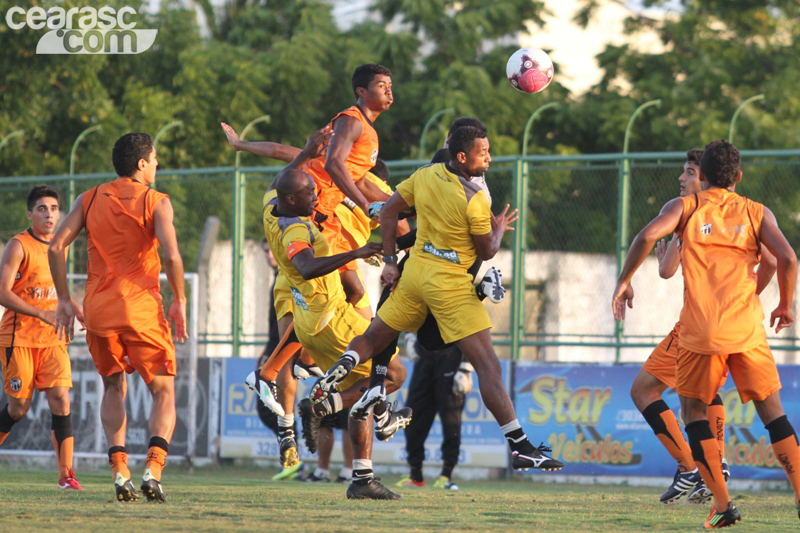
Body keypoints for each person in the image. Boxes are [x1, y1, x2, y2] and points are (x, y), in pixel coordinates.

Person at [311, 125, 564, 473]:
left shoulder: (425, 175)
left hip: (414, 275)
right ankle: (520, 447)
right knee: (488, 366)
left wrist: (390, 261)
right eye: (483, 152)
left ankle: (347, 361)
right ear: (462, 157)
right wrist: (498, 229)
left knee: (373, 337)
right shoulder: (476, 198)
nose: (489, 158)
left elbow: (388, 212)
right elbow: (487, 251)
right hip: (450, 286)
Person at [612, 139, 800, 528]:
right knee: (772, 411)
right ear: (738, 177)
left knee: (693, 412)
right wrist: (784, 304)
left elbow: (646, 236)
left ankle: (723, 504)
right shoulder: (756, 212)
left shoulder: (685, 208)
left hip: (700, 331)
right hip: (746, 328)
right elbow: (786, 258)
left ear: (705, 175)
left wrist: (624, 281)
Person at [48, 133, 188, 503]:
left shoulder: (89, 197)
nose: (157, 164)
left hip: (98, 310)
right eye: (154, 158)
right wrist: (179, 299)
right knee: (163, 390)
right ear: (141, 163)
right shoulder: (156, 201)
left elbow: (57, 246)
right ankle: (153, 469)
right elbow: (172, 256)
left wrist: (64, 298)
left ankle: (119, 471)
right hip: (140, 308)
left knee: (112, 387)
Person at [264, 150, 412, 499]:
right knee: (391, 374)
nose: (316, 196)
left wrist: (246, 146)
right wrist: (368, 253)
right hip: (331, 313)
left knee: (361, 387)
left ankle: (359, 473)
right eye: (309, 193)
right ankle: (326, 407)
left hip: (303, 312)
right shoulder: (307, 227)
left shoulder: (273, 208)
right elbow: (335, 277)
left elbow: (283, 162)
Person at [223, 63, 395, 316]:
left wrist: (399, 203)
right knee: (331, 296)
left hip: (328, 218)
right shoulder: (351, 121)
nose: (389, 92)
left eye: (390, 86)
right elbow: (334, 165)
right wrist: (367, 207)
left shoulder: (360, 136)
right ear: (361, 91)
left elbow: (281, 151)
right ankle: (320, 336)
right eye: (381, 86)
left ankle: (327, 337)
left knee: (353, 292)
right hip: (313, 215)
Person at [0, 185, 84, 491]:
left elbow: (57, 290)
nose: (49, 215)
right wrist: (40, 313)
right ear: (30, 214)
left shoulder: (60, 246)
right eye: (42, 209)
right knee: (18, 409)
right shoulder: (18, 246)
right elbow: (2, 293)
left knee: (61, 398)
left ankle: (66, 475)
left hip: (52, 337)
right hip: (18, 338)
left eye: (54, 209)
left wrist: (74, 307)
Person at [396, 340, 471, 490]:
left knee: (451, 422)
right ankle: (415, 475)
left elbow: (472, 331)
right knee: (412, 418)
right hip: (424, 357)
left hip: (452, 359)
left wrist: (465, 367)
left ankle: (446, 475)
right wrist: (410, 337)